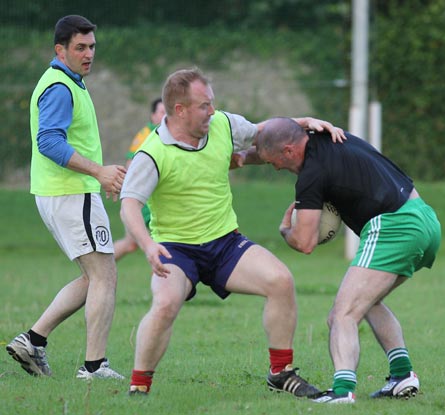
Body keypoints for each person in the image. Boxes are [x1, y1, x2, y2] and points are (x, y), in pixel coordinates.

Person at [119, 67, 346, 396]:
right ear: (180, 110)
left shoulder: (222, 124)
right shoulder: (152, 153)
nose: (212, 111)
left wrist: (304, 122)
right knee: (166, 303)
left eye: (212, 103)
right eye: (204, 105)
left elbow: (264, 131)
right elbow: (129, 206)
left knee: (280, 281)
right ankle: (139, 387)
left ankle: (280, 374)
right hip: (176, 249)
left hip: (225, 243)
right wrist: (148, 245)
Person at [255, 117, 441, 404]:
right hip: (425, 219)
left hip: (394, 226)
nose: (276, 168)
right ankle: (402, 375)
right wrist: (303, 120)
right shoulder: (331, 136)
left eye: (274, 162)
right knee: (368, 302)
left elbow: (305, 243)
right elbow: (274, 131)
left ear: (289, 151)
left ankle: (342, 390)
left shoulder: (311, 174)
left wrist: (285, 231)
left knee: (342, 315)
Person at [5, 15, 126, 380]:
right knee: (105, 275)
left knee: (94, 277)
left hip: (63, 194)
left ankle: (33, 340)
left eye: (91, 47)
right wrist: (99, 172)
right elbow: (49, 142)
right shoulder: (60, 86)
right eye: (80, 48)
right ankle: (94, 367)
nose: (88, 54)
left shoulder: (68, 82)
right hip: (72, 194)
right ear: (60, 50)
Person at [113, 98, 165, 261]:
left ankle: (97, 269)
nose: (165, 116)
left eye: (168, 112)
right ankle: (97, 269)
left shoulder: (167, 134)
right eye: (162, 112)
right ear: (153, 116)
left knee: (134, 243)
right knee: (158, 242)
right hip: (145, 203)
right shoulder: (145, 136)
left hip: (154, 200)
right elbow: (130, 165)